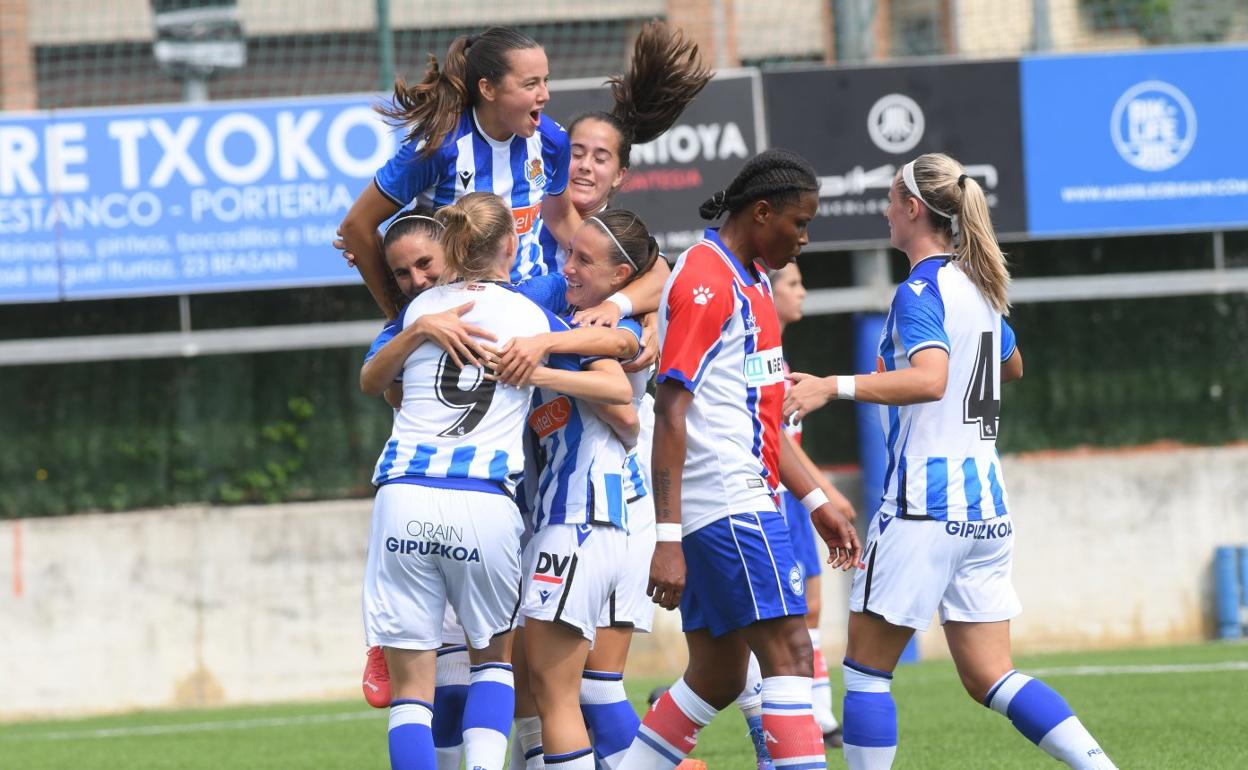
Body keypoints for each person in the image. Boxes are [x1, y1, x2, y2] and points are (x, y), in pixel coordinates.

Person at [782, 152, 1117, 770]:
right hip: (986, 506)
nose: (884, 210)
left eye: (889, 200)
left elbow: (931, 379)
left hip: (923, 504)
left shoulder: (921, 289)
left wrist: (834, 385)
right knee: (992, 676)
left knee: (865, 675)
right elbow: (1010, 365)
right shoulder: (978, 287)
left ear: (913, 209)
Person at [360, 192, 630, 770]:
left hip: (403, 492)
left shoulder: (419, 311)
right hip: (483, 499)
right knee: (493, 664)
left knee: (412, 692)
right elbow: (618, 359)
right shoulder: (531, 315)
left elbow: (377, 384)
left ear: (448, 247)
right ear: (512, 244)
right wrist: (555, 348)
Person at [618, 149, 861, 770]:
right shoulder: (706, 278)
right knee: (788, 653)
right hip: (726, 502)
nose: (804, 238)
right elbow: (671, 410)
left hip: (735, 500)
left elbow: (765, 422)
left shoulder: (751, 281)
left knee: (718, 675)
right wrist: (667, 537)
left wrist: (816, 499)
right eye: (798, 223)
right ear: (760, 213)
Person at [489, 210, 662, 770]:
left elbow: (622, 401)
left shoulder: (613, 331)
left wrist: (537, 361)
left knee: (553, 693)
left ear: (620, 277)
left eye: (583, 260)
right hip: (599, 518)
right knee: (579, 690)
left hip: (582, 514)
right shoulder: (570, 312)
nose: (567, 267)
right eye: (568, 253)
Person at [337, 26, 581, 322]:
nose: (545, 95)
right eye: (530, 84)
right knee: (375, 368)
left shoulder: (553, 141)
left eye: (545, 81)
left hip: (531, 303)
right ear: (488, 89)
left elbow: (561, 217)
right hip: (458, 316)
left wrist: (607, 284)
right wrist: (402, 317)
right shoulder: (441, 145)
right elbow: (356, 226)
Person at [770, 262, 856, 749]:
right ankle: (814, 717)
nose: (803, 292)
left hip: (794, 500)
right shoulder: (757, 353)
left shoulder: (780, 360)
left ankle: (820, 715)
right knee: (783, 614)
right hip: (775, 498)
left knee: (810, 608)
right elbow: (774, 436)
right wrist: (826, 492)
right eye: (793, 284)